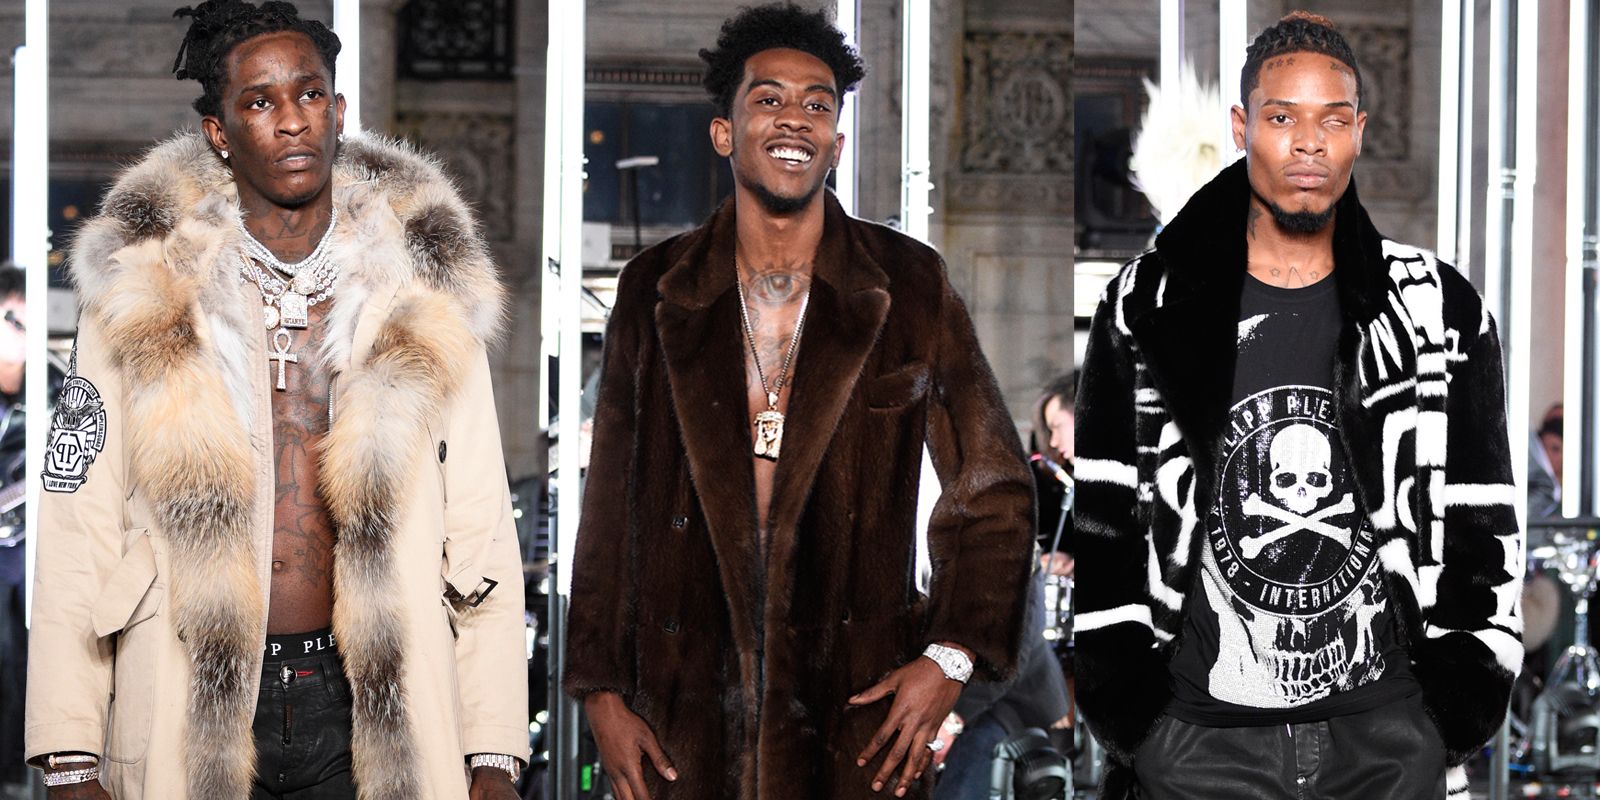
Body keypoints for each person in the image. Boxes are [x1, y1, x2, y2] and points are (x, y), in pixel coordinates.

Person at [25, 2, 528, 797]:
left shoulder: (420, 291)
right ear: (219, 133)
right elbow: (76, 525)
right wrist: (68, 752)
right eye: (260, 102)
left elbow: (481, 526)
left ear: (339, 111)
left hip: (372, 697)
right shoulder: (142, 291)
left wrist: (494, 749)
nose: (293, 120)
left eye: (310, 93)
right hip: (192, 685)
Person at [562, 5, 1036, 800]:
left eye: (818, 104)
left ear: (837, 142)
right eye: (769, 99)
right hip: (683, 719)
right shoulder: (655, 288)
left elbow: (993, 488)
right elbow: (609, 504)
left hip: (854, 720)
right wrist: (602, 692)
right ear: (725, 132)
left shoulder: (909, 283)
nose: (795, 118)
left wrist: (951, 657)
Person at [1074, 12, 1521, 800]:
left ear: (1358, 133)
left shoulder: (1436, 307)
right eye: (1282, 118)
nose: (1308, 143)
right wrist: (1133, 713)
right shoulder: (1149, 302)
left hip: (1386, 741)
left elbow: (1483, 516)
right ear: (1243, 127)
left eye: (1332, 120)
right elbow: (1104, 516)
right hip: (1198, 744)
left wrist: (1455, 706)